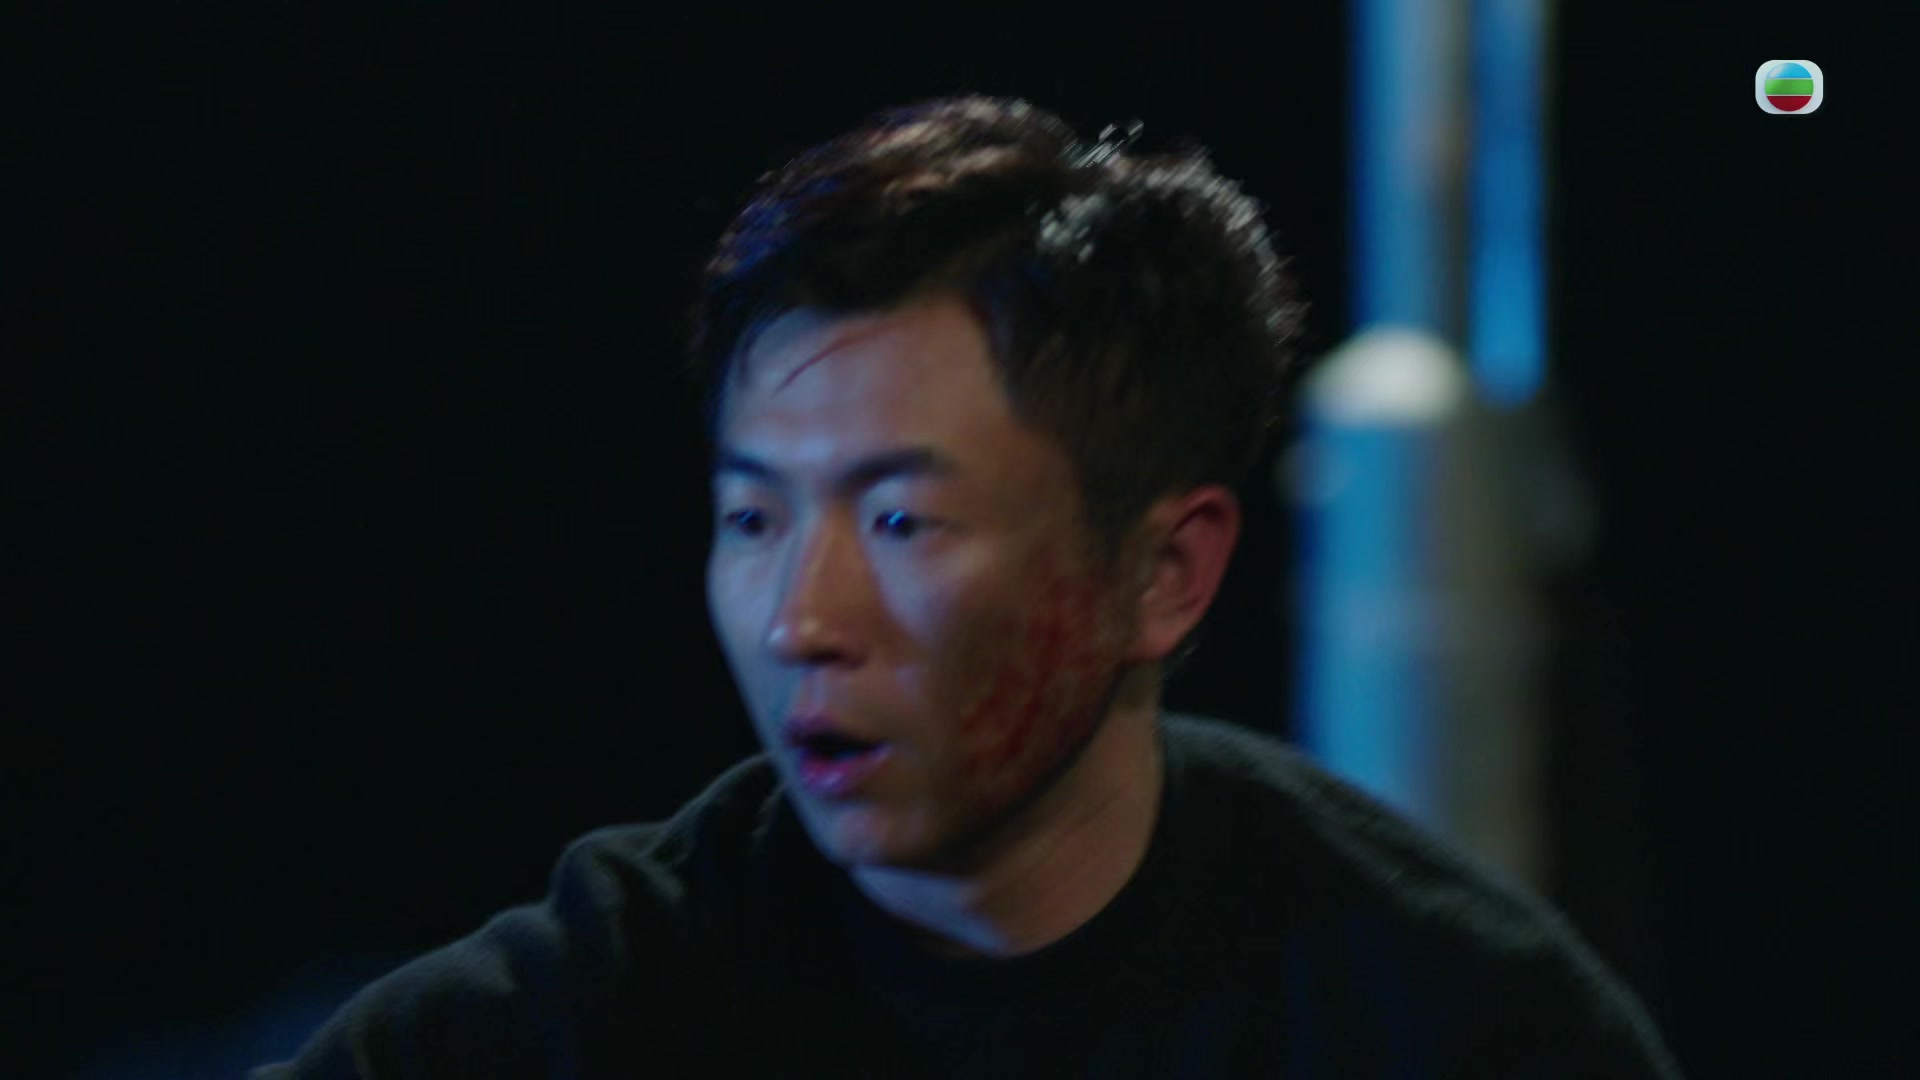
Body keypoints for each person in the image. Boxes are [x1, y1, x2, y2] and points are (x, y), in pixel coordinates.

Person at [254, 95, 1681, 1078]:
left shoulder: (1442, 1018)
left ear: (1166, 573)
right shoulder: (600, 1004)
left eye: (901, 520)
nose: (800, 619)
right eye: (751, 517)